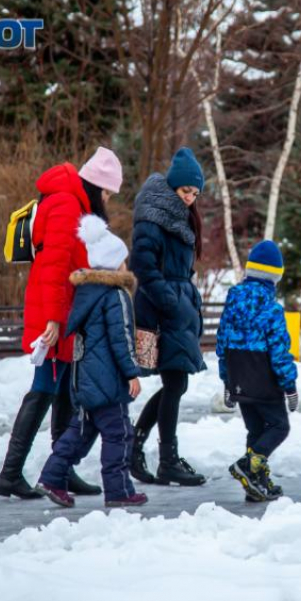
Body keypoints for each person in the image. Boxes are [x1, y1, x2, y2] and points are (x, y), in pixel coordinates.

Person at [0, 147, 123, 500]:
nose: (108, 200)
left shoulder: (71, 203)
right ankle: (10, 474)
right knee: (43, 391)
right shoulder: (67, 204)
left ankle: (61, 471)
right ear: (96, 186)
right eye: (108, 193)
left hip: (62, 312)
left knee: (63, 390)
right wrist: (52, 319)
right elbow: (54, 266)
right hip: (53, 314)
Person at [36, 215, 148, 508]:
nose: (126, 266)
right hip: (107, 379)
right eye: (123, 260)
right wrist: (132, 374)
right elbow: (121, 338)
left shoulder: (86, 292)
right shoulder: (115, 295)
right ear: (114, 263)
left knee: (80, 433)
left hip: (84, 376)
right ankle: (119, 491)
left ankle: (51, 477)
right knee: (119, 434)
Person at [128, 147, 207, 486]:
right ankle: (166, 459)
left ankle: (138, 447)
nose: (190, 198)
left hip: (177, 305)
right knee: (175, 382)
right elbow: (142, 265)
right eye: (185, 190)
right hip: (161, 308)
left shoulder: (181, 216)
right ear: (173, 187)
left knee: (176, 382)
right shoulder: (153, 216)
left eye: (195, 193)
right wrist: (170, 301)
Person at [216, 240, 299, 502]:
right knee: (278, 427)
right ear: (276, 276)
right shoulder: (271, 309)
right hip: (263, 377)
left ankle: (256, 482)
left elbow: (222, 342)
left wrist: (228, 382)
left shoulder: (232, 299)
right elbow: (279, 350)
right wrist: (290, 386)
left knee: (256, 431)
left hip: (239, 376)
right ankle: (247, 467)